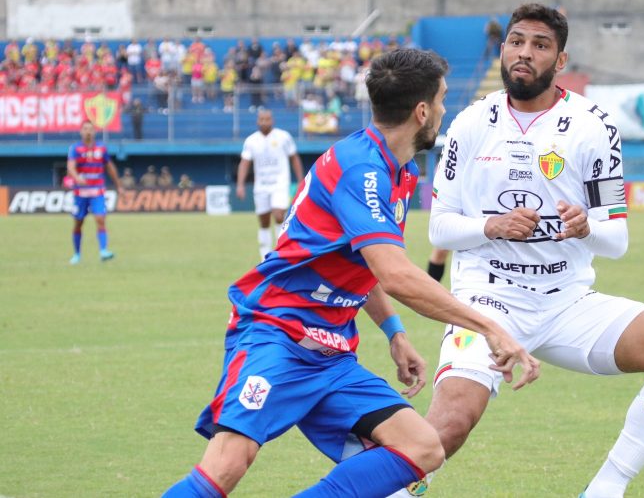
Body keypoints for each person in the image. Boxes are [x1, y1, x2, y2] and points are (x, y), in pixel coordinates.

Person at [162, 49, 540, 498]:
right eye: (440, 101)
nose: (443, 110)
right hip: (277, 333)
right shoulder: (361, 169)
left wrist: (394, 332)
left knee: (422, 448)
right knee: (227, 464)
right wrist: (489, 327)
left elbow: (366, 264)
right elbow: (396, 274)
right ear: (422, 112)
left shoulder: (396, 169)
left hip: (331, 353)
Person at [390, 3, 644, 498]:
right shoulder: (470, 124)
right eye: (517, 41)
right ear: (503, 50)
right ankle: (387, 489)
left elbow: (617, 240)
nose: (525, 53)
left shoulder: (593, 126)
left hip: (566, 303)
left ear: (560, 61)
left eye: (540, 45)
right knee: (449, 426)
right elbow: (440, 227)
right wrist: (492, 225)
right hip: (487, 300)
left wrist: (586, 228)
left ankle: (606, 489)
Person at [236, 108, 305, 260]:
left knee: (279, 214)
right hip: (261, 186)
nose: (264, 122)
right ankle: (265, 257)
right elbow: (244, 163)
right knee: (264, 220)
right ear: (257, 121)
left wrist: (301, 180)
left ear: (272, 120)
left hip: (279, 183)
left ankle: (280, 253)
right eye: (262, 119)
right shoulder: (251, 140)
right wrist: (240, 184)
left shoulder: (283, 137)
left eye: (267, 119)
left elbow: (294, 158)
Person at [66, 120, 124, 264]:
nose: (88, 131)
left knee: (100, 219)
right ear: (81, 131)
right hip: (80, 192)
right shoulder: (75, 149)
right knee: (78, 223)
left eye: (90, 129)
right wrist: (77, 177)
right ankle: (77, 254)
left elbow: (110, 167)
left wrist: (119, 185)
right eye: (85, 129)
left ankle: (103, 251)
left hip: (97, 190)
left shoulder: (101, 149)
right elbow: (70, 167)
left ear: (94, 132)